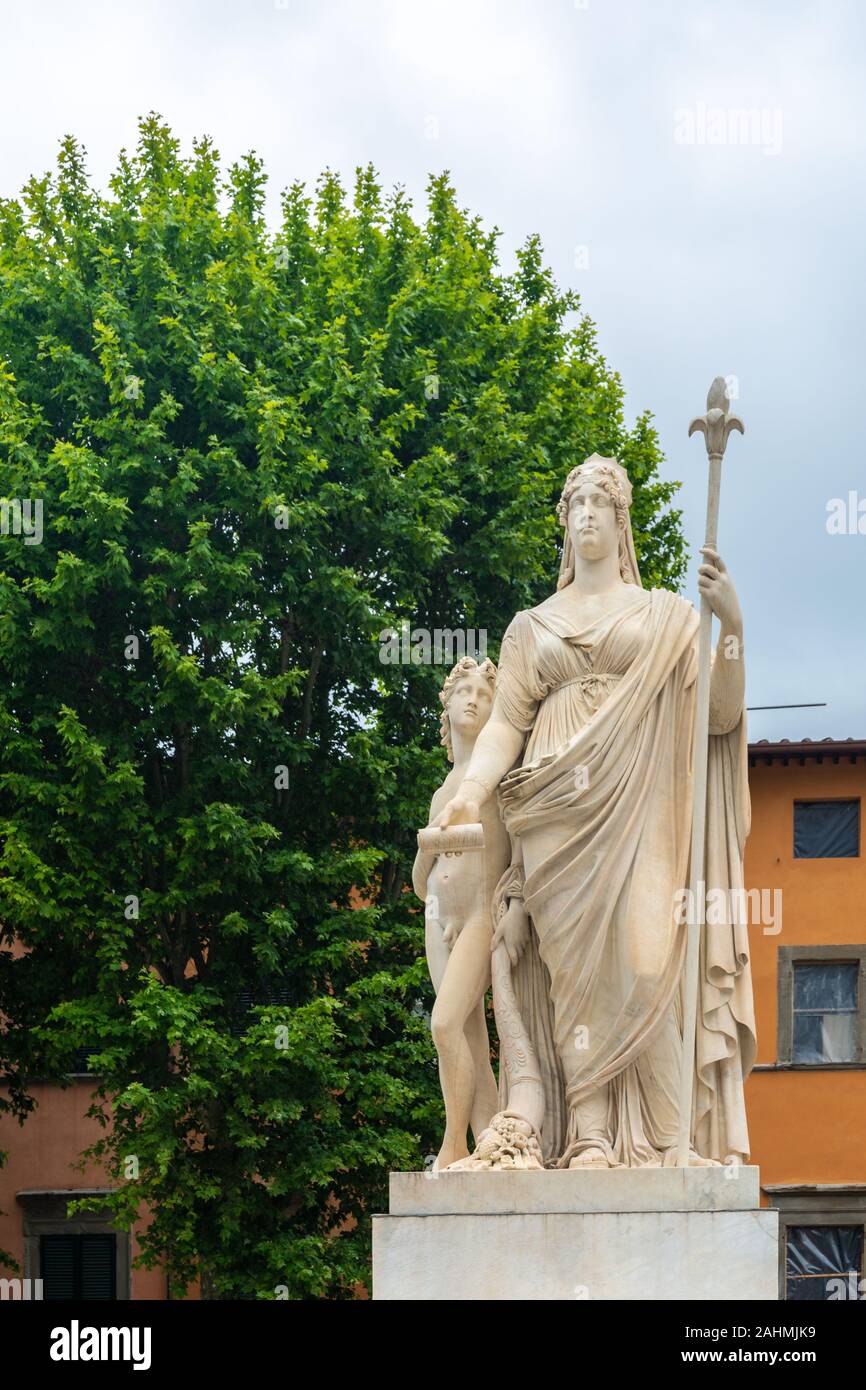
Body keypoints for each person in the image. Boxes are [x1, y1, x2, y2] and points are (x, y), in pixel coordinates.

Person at [436, 455, 756, 1169]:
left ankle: (666, 1140)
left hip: (643, 803)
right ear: (565, 524)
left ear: (621, 521)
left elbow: (722, 713)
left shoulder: (668, 620)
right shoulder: (529, 628)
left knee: (646, 963)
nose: (585, 515)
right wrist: (470, 789)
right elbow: (503, 727)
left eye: (599, 504)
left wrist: (730, 624)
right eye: (574, 504)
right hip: (552, 809)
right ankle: (586, 1132)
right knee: (568, 974)